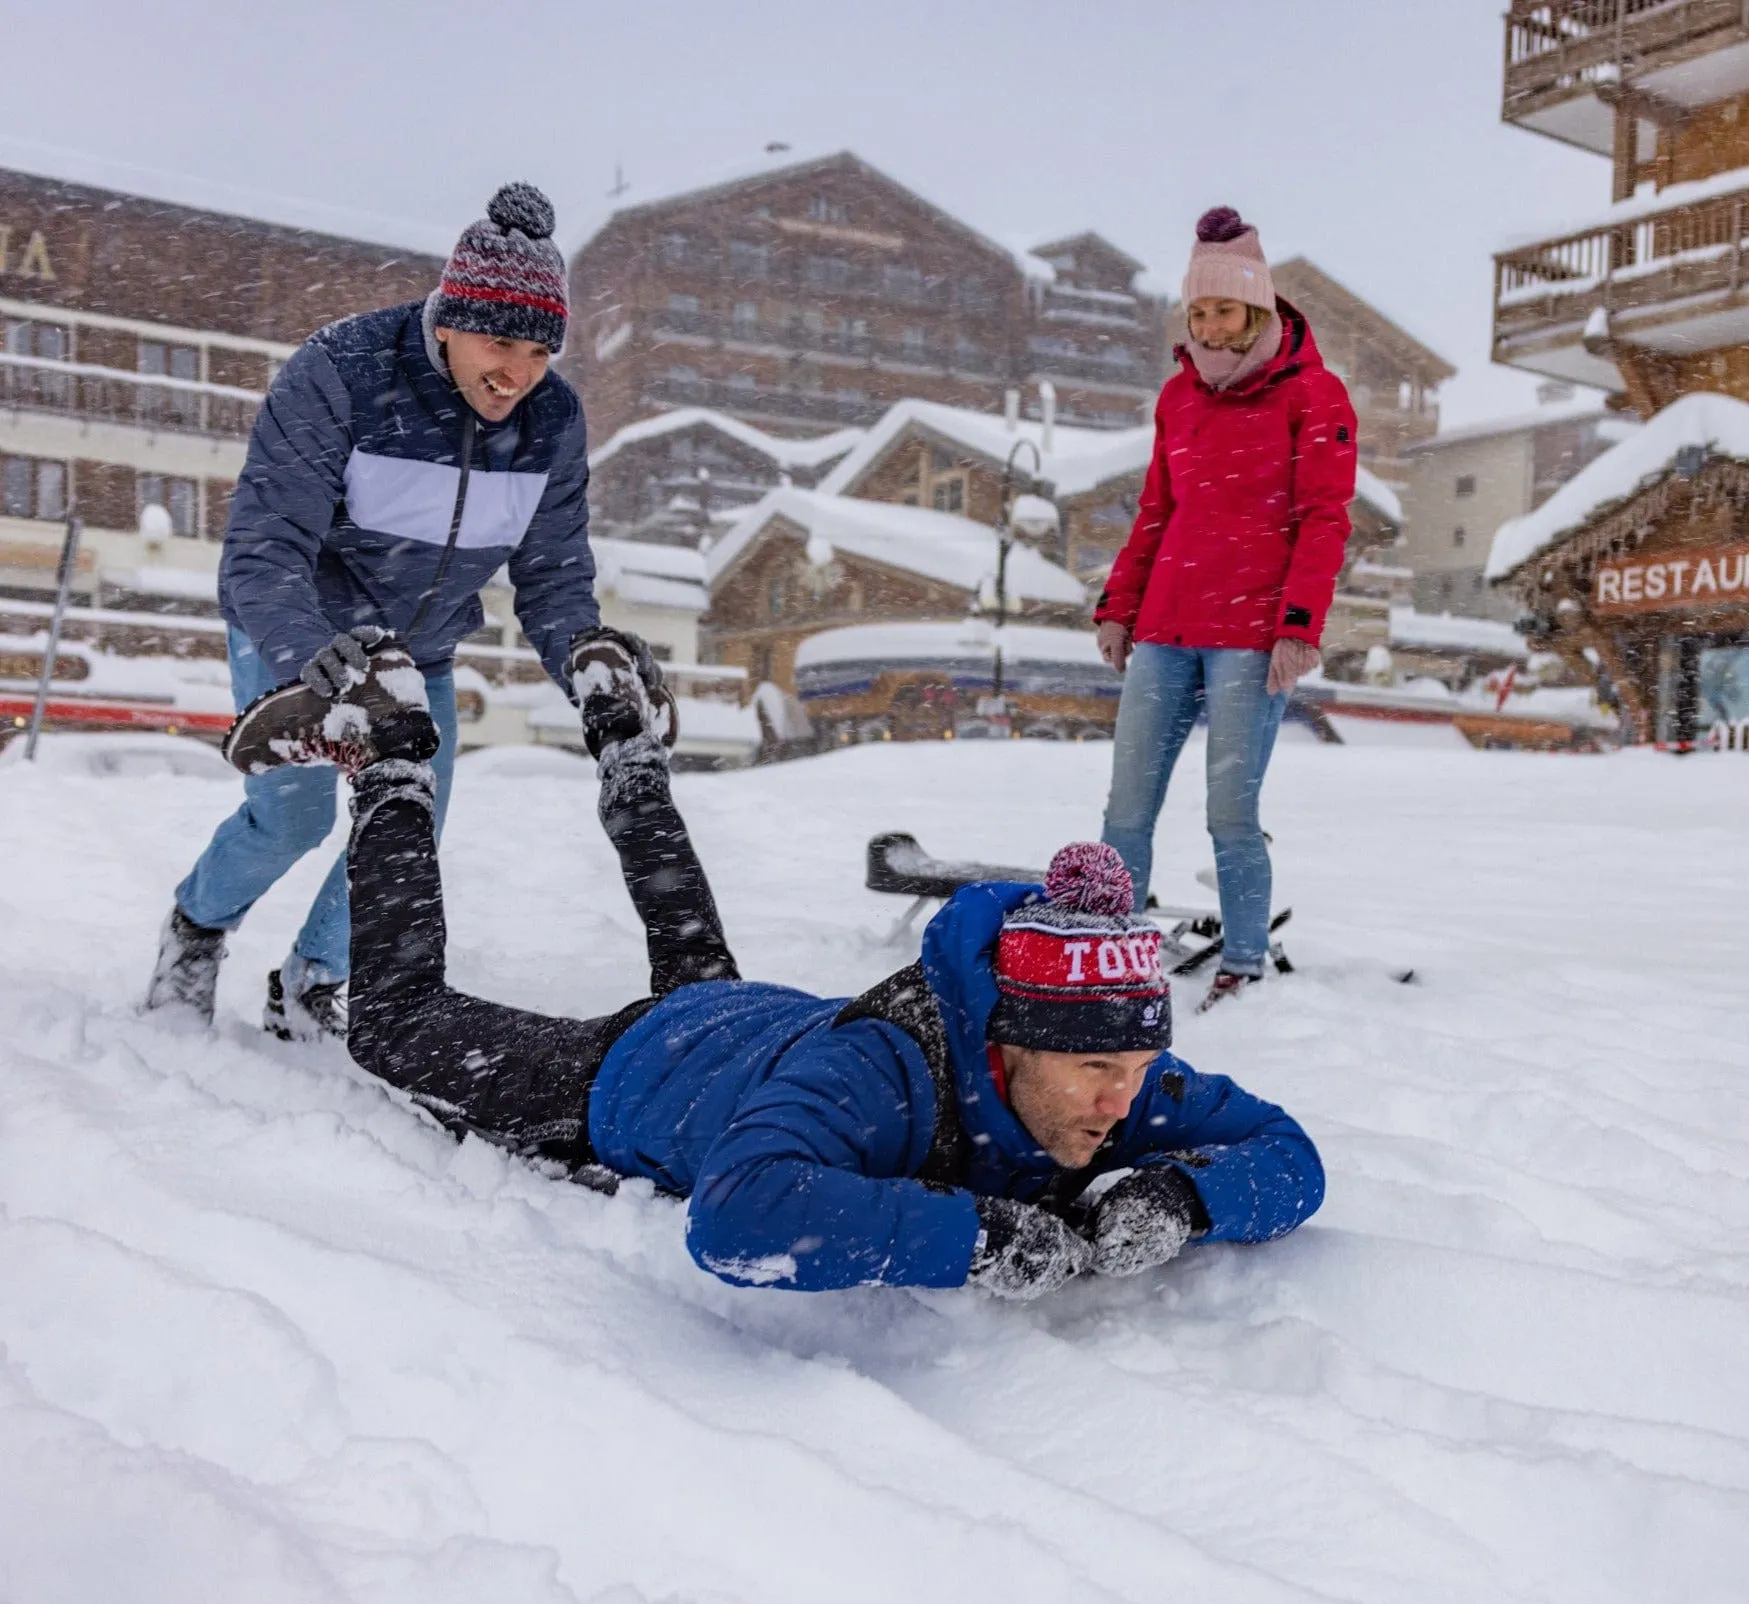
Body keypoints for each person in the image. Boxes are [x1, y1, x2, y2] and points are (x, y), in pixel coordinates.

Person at [217, 639, 1327, 1298]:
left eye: (1140, 1066)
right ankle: (394, 759)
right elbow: (738, 1218)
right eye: (1095, 1073)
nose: (1121, 1099)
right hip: (633, 1077)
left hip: (751, 1029)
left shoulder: (1111, 1071)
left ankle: (630, 745)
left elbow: (1292, 1156)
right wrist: (975, 1238)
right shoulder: (882, 1077)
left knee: (691, 953)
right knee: (397, 1025)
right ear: (1006, 1040)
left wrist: (1183, 1196)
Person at [144, 181, 630, 1040]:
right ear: (449, 316)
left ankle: (314, 978)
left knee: (412, 818)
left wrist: (586, 656)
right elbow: (264, 546)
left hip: (421, 650)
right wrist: (307, 652)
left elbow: (552, 575)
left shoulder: (551, 422)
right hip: (303, 628)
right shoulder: (344, 372)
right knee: (294, 812)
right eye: (498, 341)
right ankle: (197, 927)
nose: (516, 373)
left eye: (540, 351)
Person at [1095, 206, 1358, 1011]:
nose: (1209, 325)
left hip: (1250, 638)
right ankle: (1111, 950)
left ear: (1259, 309)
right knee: (1125, 806)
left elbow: (1324, 517)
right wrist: (1119, 605)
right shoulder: (1177, 398)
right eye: (1197, 310)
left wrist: (1297, 626)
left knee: (1230, 812)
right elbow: (1154, 512)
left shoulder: (1312, 395)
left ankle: (1242, 959)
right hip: (1166, 630)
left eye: (1224, 309)